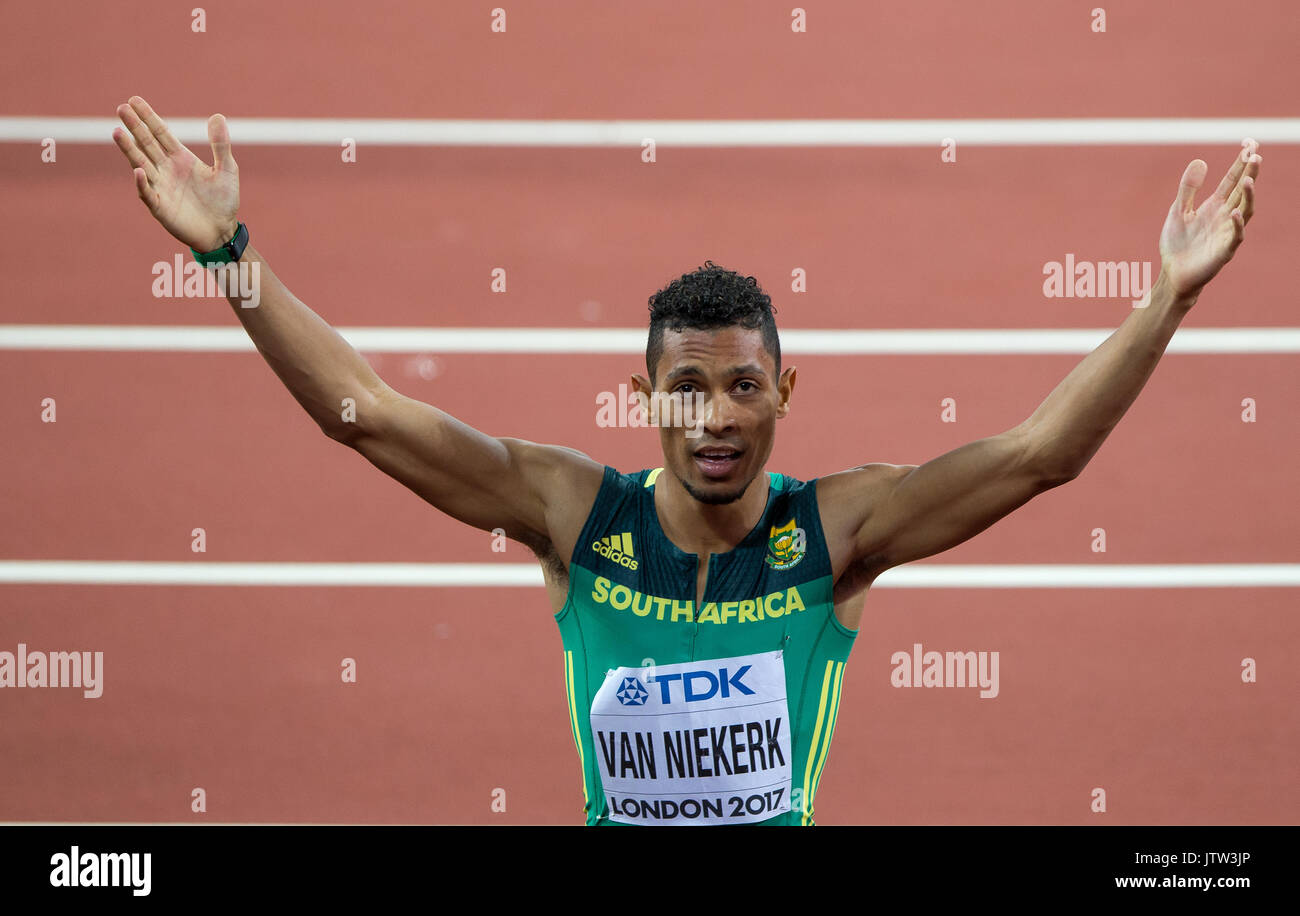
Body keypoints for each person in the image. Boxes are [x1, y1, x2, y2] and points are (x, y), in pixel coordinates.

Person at [112, 96, 1261, 825]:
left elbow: (1039, 453)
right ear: (643, 394)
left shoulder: (840, 531)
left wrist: (1166, 297)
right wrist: (232, 255)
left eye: (744, 387)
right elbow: (360, 411)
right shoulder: (571, 512)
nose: (715, 418)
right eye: (687, 388)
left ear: (784, 393)